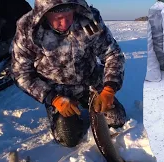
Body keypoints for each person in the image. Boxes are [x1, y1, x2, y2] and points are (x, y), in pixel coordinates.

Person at [11, 0, 127, 147]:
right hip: (57, 91)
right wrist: (53, 99)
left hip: (90, 82)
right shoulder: (28, 29)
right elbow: (20, 73)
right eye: (58, 18)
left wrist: (109, 88)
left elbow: (112, 54)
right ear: (44, 14)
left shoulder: (89, 20)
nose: (65, 23)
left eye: (68, 15)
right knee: (68, 138)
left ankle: (89, 102)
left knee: (117, 120)